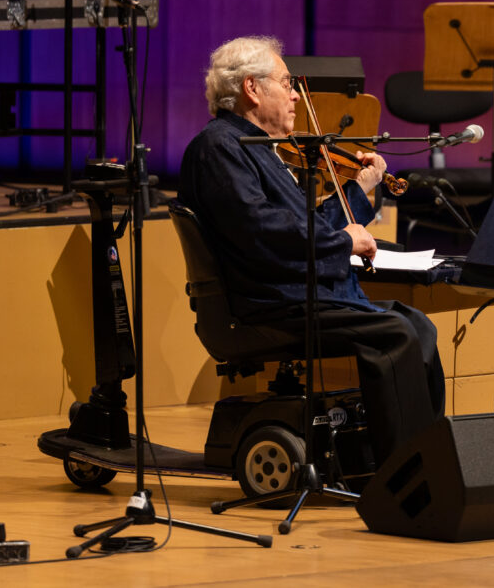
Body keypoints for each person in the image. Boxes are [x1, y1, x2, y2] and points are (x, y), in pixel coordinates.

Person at [179, 35, 445, 466]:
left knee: (416, 324)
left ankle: (425, 455)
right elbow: (264, 230)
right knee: (396, 333)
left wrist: (360, 190)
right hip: (269, 303)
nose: (296, 96)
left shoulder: (257, 149)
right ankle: (398, 466)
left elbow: (308, 227)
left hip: (295, 294)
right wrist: (345, 242)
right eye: (287, 83)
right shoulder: (221, 147)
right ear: (252, 88)